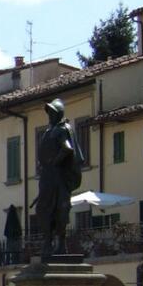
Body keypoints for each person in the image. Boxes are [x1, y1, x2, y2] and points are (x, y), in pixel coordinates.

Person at [34, 98, 84, 258]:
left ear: (58, 114)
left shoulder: (61, 130)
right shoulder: (51, 130)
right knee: (44, 210)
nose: (50, 115)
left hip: (57, 178)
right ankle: (49, 242)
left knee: (59, 210)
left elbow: (67, 149)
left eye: (52, 112)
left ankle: (58, 244)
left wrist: (54, 163)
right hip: (48, 178)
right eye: (49, 112)